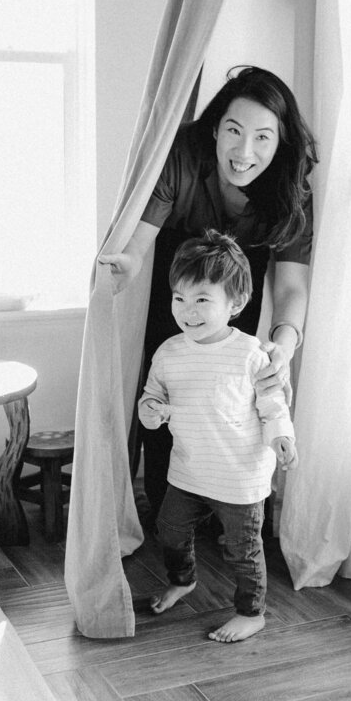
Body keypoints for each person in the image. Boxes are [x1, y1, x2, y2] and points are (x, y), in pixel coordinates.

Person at [99, 66, 317, 530]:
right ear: (216, 127)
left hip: (242, 271)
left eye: (263, 137)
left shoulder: (290, 190)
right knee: (172, 379)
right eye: (234, 131)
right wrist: (125, 266)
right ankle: (170, 510)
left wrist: (286, 343)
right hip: (176, 270)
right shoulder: (179, 154)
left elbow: (293, 287)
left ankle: (225, 508)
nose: (244, 152)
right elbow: (138, 245)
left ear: (279, 144)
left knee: (231, 390)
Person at [139, 230, 298, 642]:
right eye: (180, 298)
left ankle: (251, 611)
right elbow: (151, 398)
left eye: (202, 300)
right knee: (169, 529)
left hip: (239, 477)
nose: (188, 311)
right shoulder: (168, 352)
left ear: (236, 304)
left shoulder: (250, 354)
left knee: (242, 550)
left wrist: (282, 437)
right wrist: (151, 413)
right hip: (189, 470)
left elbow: (272, 405)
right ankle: (183, 579)